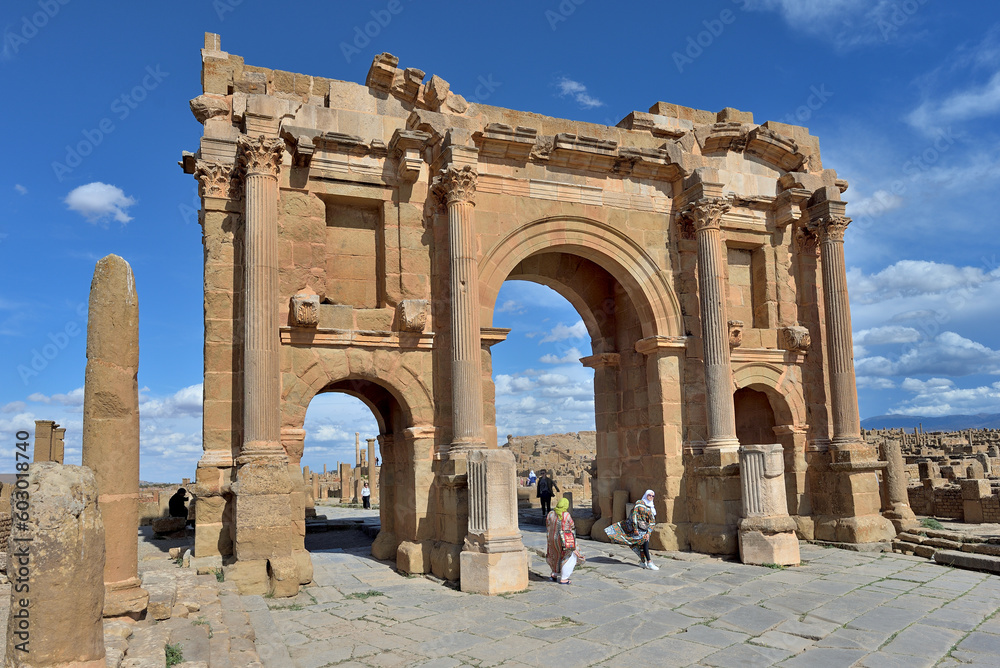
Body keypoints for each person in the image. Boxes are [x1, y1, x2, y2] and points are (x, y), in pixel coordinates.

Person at [604, 489, 659, 570]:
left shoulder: (651, 507)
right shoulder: (639, 503)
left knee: (642, 545)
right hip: (637, 529)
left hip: (645, 530)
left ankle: (643, 562)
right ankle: (649, 562)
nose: (651, 497)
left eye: (652, 496)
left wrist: (649, 532)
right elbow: (634, 516)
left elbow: (652, 521)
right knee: (644, 544)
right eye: (649, 495)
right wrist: (635, 528)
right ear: (646, 495)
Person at [546, 497, 583, 584]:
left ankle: (554, 574)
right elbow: (572, 525)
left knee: (555, 556)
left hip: (552, 539)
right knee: (569, 557)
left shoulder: (551, 514)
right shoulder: (566, 515)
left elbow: (547, 524)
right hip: (564, 540)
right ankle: (564, 578)